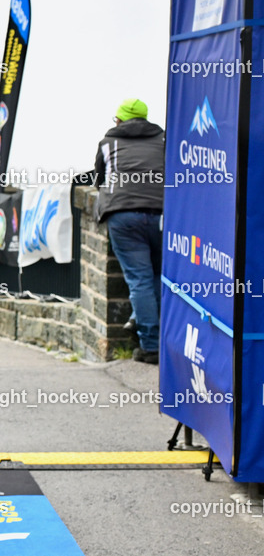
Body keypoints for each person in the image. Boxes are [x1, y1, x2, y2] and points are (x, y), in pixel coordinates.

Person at [94, 97, 165, 364]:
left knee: (139, 280)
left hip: (123, 215)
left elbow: (100, 179)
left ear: (119, 120)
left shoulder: (108, 143)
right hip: (161, 214)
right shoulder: (164, 141)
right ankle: (153, 332)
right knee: (158, 276)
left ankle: (150, 345)